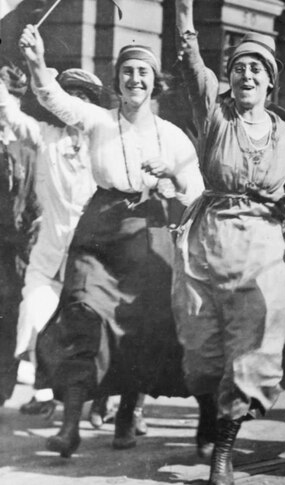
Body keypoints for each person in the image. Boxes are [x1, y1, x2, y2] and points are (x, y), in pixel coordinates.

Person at [19, 25, 204, 458]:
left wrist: (171, 179)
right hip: (98, 231)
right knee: (83, 313)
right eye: (127, 71)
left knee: (140, 326)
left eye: (143, 72)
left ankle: (126, 416)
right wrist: (35, 60)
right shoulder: (98, 120)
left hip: (148, 235)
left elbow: (194, 193)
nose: (134, 79)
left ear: (155, 82)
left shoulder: (173, 136)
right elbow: (53, 98)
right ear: (117, 79)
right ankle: (69, 428)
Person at [172, 2, 285, 484]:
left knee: (250, 350)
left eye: (256, 68)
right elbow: (191, 59)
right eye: (238, 68)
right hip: (207, 242)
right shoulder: (214, 114)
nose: (246, 75)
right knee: (200, 352)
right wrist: (183, 10)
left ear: (271, 82)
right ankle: (209, 413)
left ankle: (223, 454)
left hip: (262, 248)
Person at [0, 67, 100, 420]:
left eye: (82, 99)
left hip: (93, 255)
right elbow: (10, 114)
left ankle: (116, 402)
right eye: (68, 97)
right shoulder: (46, 138)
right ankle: (43, 392)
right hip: (48, 252)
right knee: (35, 315)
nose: (74, 106)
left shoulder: (105, 143)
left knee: (94, 327)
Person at [0, 63, 39, 407]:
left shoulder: (27, 148)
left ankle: (2, 387)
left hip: (12, 249)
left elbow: (36, 202)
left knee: (7, 313)